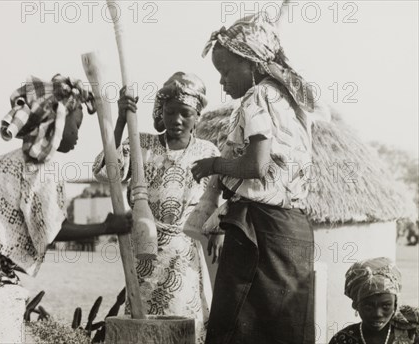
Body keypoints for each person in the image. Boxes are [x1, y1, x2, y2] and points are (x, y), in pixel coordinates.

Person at [0, 75, 132, 323]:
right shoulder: (42, 166)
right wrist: (107, 227)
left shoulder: (6, 159)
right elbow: (53, 230)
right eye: (75, 126)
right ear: (56, 121)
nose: (77, 135)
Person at [191, 12, 318, 343]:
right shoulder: (293, 101)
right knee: (284, 326)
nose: (222, 81)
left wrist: (214, 165)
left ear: (251, 63)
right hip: (293, 229)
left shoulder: (257, 97)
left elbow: (256, 165)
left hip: (258, 230)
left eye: (226, 70)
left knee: (235, 326)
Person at [93, 72, 219, 343]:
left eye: (185, 113)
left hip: (184, 256)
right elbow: (107, 173)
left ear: (197, 115)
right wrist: (119, 120)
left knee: (183, 329)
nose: (176, 120)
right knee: (143, 329)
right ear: (161, 112)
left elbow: (219, 201)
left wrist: (218, 232)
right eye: (170, 112)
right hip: (145, 253)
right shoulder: (141, 145)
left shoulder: (208, 153)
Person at [329, 257, 419, 344]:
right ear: (355, 304)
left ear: (395, 304)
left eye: (386, 306)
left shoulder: (413, 335)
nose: (377, 314)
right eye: (368, 306)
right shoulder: (342, 340)